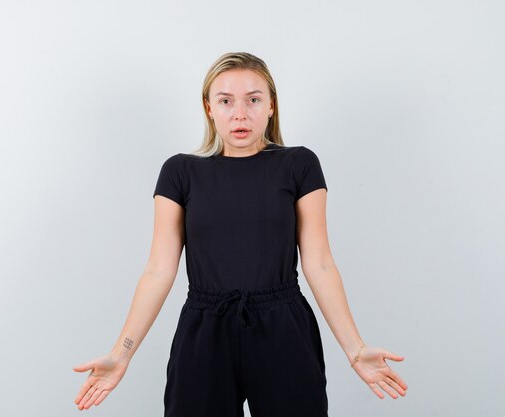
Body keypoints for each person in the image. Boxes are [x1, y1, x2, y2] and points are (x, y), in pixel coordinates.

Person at [72, 52, 408, 416]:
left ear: (271, 106)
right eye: (226, 101)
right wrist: (122, 354)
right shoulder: (179, 172)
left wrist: (355, 349)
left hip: (283, 328)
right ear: (209, 108)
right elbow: (158, 269)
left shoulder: (299, 165)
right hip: (204, 330)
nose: (240, 114)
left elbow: (320, 264)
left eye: (253, 99)